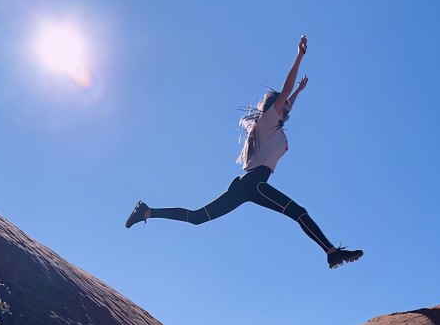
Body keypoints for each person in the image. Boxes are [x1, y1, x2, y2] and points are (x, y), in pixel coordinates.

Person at [125, 35, 363, 269]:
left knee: (197, 217)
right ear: (275, 107)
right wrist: (299, 57)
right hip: (254, 184)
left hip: (247, 185)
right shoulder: (267, 121)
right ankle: (331, 253)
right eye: (285, 105)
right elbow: (285, 90)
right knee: (298, 211)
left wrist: (299, 92)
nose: (288, 108)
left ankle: (147, 211)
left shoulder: (273, 127)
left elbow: (288, 98)